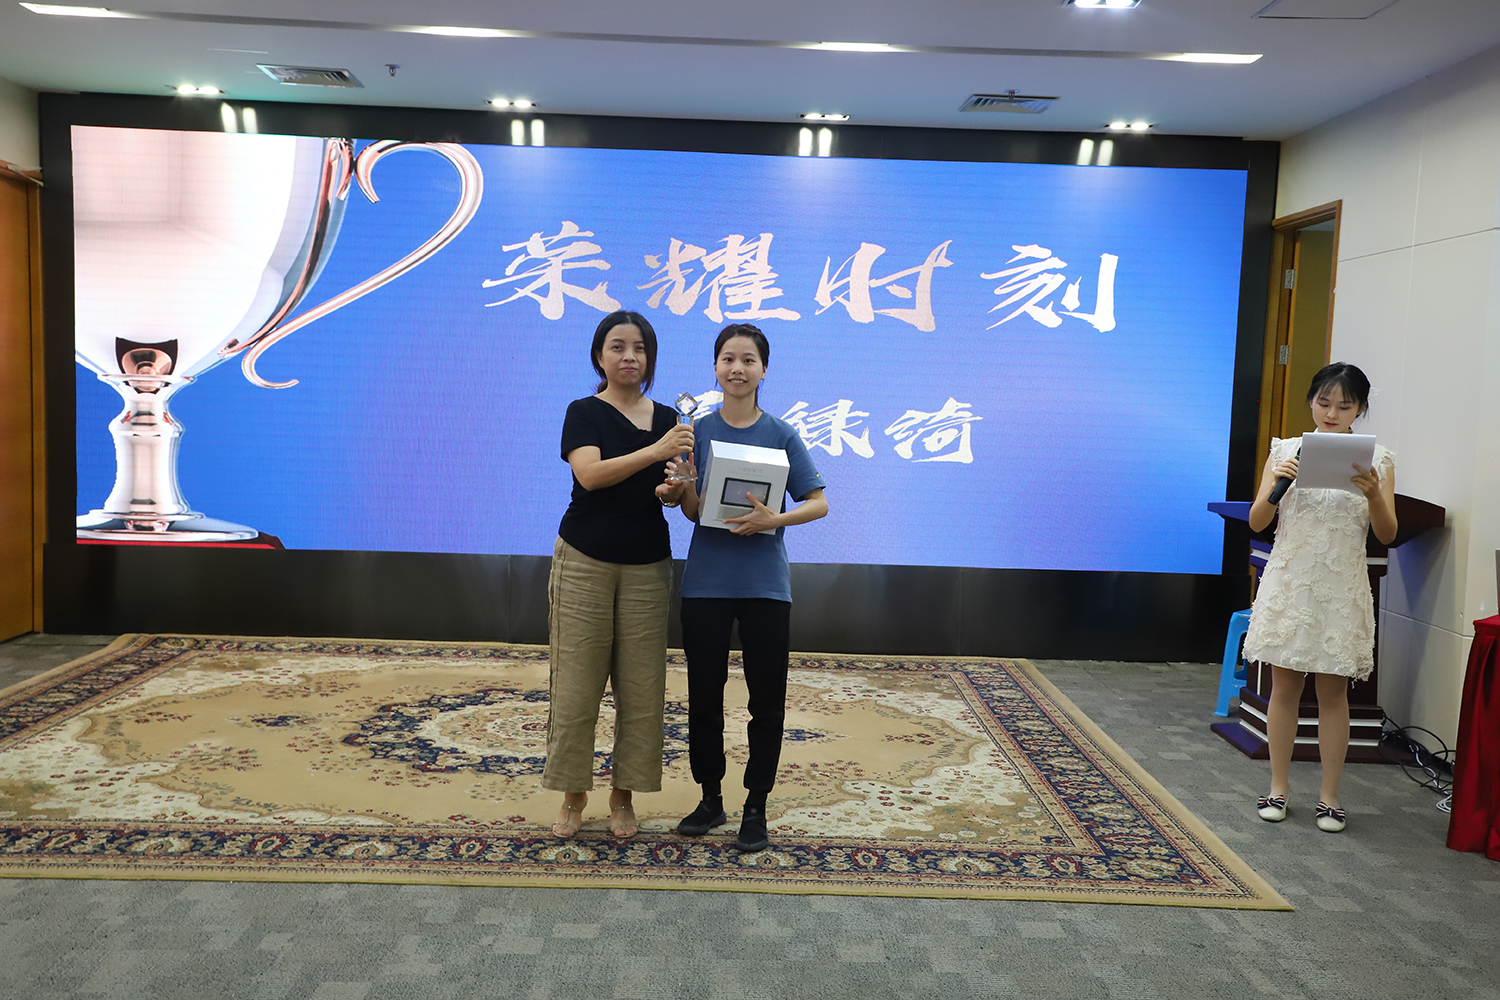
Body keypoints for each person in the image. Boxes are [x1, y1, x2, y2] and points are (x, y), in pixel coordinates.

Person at [655, 323, 829, 852]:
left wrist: (774, 520)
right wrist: (682, 485)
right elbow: (692, 511)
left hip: (765, 588)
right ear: (715, 368)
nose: (737, 368)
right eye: (728, 358)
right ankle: (710, 798)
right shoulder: (696, 432)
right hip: (706, 584)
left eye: (748, 359)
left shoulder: (782, 433)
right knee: (704, 699)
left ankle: (756, 805)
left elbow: (818, 502)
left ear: (763, 370)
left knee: (766, 702)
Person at [543, 310, 692, 840]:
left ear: (650, 358)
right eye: (618, 347)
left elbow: (671, 496)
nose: (630, 356)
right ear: (599, 356)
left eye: (640, 348)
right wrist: (657, 450)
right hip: (585, 558)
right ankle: (572, 796)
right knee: (577, 684)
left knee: (642, 689)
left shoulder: (672, 417)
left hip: (648, 564)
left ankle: (623, 795)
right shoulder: (584, 412)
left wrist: (674, 488)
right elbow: (590, 474)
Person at [1244, 362, 1396, 834]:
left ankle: (1330, 796)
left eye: (1344, 406)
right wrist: (1278, 485)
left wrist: (1374, 495)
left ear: (1361, 409)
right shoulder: (1284, 451)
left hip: (1340, 588)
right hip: (1291, 582)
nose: (1331, 413)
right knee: (1284, 687)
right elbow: (1256, 522)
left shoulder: (1379, 460)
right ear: (1311, 401)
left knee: (1333, 694)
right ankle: (1278, 787)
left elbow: (1387, 534)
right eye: (1323, 402)